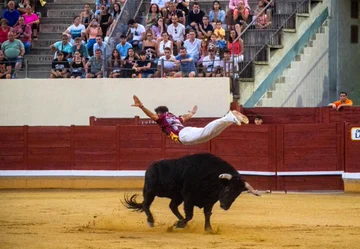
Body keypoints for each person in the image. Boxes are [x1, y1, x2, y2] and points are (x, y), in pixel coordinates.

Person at [131, 95, 249, 145]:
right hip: (185, 131)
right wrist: (191, 113)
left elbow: (152, 116)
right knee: (209, 134)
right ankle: (230, 119)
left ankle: (229, 117)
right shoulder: (172, 116)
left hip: (182, 136)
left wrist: (141, 106)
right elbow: (184, 117)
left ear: (159, 113)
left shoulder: (162, 117)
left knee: (206, 133)